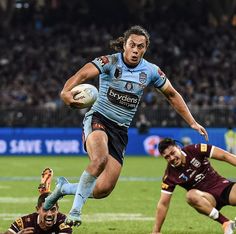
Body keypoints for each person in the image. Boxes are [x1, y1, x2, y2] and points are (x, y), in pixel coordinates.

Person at [43, 25, 208, 227]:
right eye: (132, 45)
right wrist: (65, 93)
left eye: (140, 46)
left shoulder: (151, 71)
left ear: (145, 48)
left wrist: (192, 122)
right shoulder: (109, 61)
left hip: (120, 131)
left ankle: (63, 189)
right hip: (98, 119)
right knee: (100, 159)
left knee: (104, 189)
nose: (136, 50)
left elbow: (172, 94)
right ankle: (75, 211)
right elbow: (81, 75)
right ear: (124, 45)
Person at [152, 138, 236, 234]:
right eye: (167, 157)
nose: (171, 158)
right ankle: (225, 222)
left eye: (173, 153)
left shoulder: (195, 149)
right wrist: (156, 231)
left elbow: (225, 156)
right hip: (207, 199)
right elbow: (163, 204)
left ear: (178, 148)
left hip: (224, 188)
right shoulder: (169, 176)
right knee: (190, 196)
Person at [4, 192, 72, 234]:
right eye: (45, 209)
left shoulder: (64, 221)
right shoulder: (24, 222)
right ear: (37, 209)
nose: (49, 214)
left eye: (53, 209)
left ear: (57, 209)